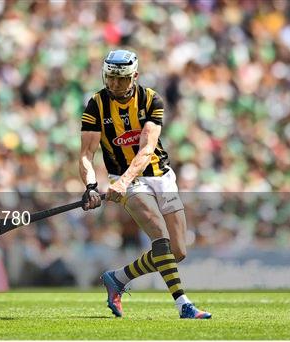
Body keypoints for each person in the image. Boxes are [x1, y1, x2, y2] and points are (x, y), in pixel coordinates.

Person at [79, 49, 211, 319]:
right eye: (110, 78)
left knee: (177, 251)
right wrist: (91, 186)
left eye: (122, 79)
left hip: (159, 175)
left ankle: (117, 278)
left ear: (135, 77)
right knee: (159, 237)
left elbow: (147, 148)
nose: (114, 85)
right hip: (127, 182)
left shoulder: (152, 100)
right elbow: (85, 154)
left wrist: (124, 180)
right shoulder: (96, 104)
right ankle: (183, 304)